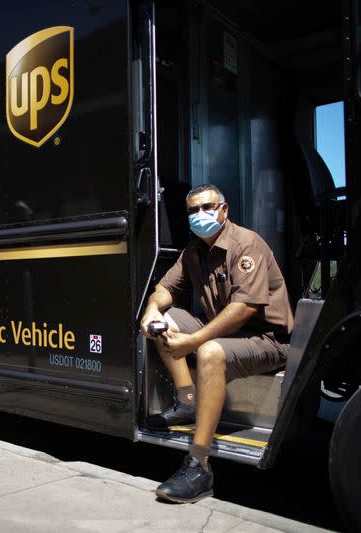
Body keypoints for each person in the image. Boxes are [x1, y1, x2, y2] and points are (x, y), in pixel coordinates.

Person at [139, 184, 294, 503]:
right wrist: (152, 309)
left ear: (224, 210)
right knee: (164, 320)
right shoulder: (192, 252)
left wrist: (193, 340)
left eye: (207, 207)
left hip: (267, 340)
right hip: (225, 334)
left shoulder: (246, 243)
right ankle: (187, 401)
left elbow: (244, 309)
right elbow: (165, 288)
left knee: (209, 350)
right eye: (193, 211)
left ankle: (198, 465)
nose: (200, 215)